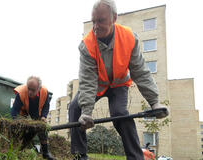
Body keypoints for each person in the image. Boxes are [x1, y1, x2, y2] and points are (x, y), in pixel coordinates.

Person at [68, 0, 169, 160]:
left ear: (114, 18)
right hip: (96, 85)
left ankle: (136, 157)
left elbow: (140, 71)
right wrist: (86, 112)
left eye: (100, 21)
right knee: (75, 108)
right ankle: (80, 155)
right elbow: (87, 80)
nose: (95, 26)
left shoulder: (129, 38)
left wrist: (154, 102)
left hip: (119, 85)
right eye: (93, 21)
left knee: (121, 114)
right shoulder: (87, 45)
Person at [11, 76, 55, 160]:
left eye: (33, 90)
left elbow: (46, 106)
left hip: (36, 111)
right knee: (23, 131)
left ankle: (45, 153)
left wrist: (43, 116)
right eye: (29, 89)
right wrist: (16, 121)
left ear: (39, 88)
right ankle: (17, 150)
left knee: (42, 128)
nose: (30, 92)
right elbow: (14, 110)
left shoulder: (44, 92)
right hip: (23, 111)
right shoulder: (21, 93)